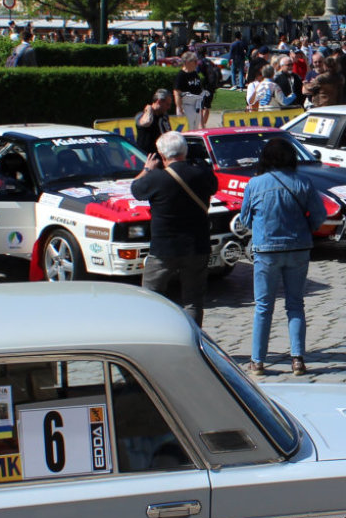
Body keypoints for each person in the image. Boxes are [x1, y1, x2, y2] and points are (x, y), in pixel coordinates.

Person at [239, 138, 318, 375]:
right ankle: (298, 359)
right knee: (295, 304)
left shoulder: (255, 184)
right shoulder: (303, 182)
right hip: (298, 249)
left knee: (263, 306)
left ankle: (258, 361)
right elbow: (319, 215)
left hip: (267, 251)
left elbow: (244, 219)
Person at [131, 131, 219, 324]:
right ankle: (192, 341)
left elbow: (136, 189)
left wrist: (147, 169)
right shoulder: (200, 174)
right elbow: (213, 185)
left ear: (162, 155)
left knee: (151, 298)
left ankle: (155, 337)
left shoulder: (156, 179)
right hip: (197, 246)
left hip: (164, 249)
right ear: (185, 150)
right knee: (193, 302)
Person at [172, 53, 215, 129]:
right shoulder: (181, 75)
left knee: (195, 129)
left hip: (196, 106)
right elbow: (177, 93)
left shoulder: (195, 74)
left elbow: (199, 92)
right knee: (187, 129)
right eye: (194, 61)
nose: (196, 63)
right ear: (187, 62)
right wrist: (179, 108)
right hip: (186, 106)